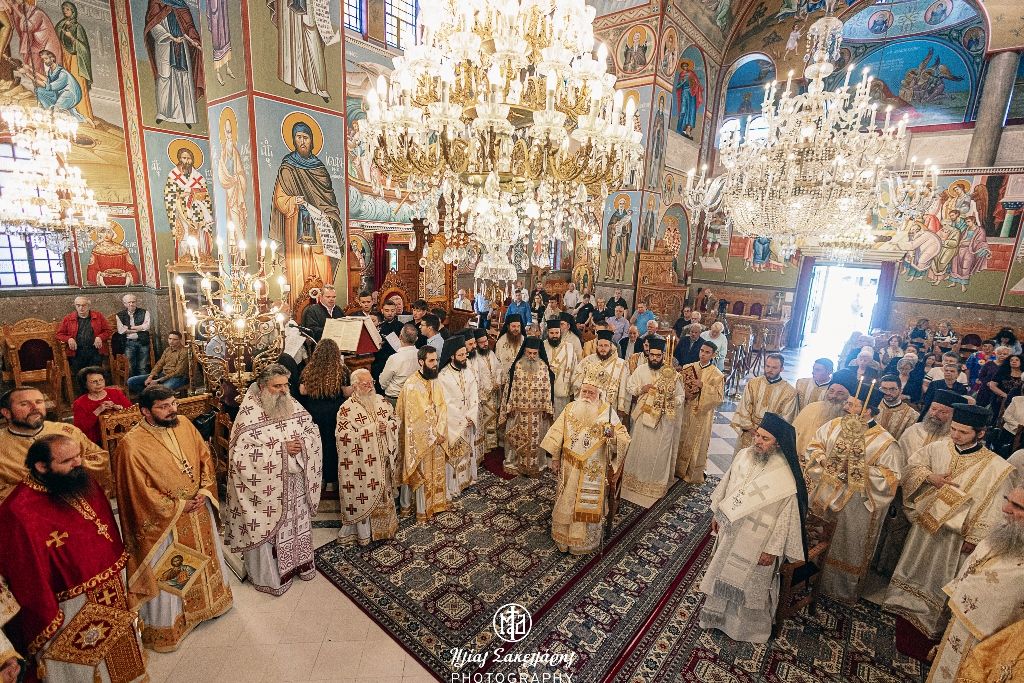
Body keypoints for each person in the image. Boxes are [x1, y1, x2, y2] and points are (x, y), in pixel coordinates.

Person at [0, 434, 147, 682]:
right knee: (80, 664)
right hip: (68, 605)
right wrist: (47, 612)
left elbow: (105, 527)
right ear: (42, 466)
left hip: (111, 586)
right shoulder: (17, 511)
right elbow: (26, 575)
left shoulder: (79, 480)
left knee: (121, 652)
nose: (78, 463)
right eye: (68, 460)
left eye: (78, 455)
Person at [884, 404, 1015, 640]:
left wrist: (975, 539)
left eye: (963, 432)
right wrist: (929, 477)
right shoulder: (938, 447)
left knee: (941, 576)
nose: (955, 435)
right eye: (953, 429)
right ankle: (901, 602)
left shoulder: (997, 468)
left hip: (956, 538)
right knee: (915, 563)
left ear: (980, 433)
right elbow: (912, 468)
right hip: (925, 526)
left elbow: (996, 508)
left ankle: (930, 620)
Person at [115, 385, 232, 649]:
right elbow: (137, 492)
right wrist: (178, 505)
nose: (172, 410)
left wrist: (204, 490)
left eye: (173, 403)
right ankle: (172, 624)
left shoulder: (185, 425)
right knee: (170, 568)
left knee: (206, 555)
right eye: (163, 406)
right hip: (165, 522)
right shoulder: (131, 445)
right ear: (145, 411)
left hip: (198, 508)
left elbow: (204, 457)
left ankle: (212, 604)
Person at [699, 412, 807, 644]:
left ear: (778, 443)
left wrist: (771, 549)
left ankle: (745, 630)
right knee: (722, 572)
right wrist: (718, 513)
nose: (757, 441)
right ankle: (716, 618)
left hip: (760, 542)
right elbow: (727, 486)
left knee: (750, 587)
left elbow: (786, 518)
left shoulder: (784, 475)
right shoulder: (743, 456)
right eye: (757, 435)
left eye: (765, 438)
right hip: (731, 531)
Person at [225, 365, 322, 596]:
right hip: (267, 489)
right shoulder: (249, 413)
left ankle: (300, 564)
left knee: (297, 525)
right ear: (261, 387)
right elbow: (240, 458)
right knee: (270, 530)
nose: (283, 390)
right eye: (276, 386)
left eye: (285, 385)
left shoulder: (291, 403)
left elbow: (311, 430)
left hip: (296, 482)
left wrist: (303, 445)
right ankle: (270, 577)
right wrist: (281, 450)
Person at [803, 380, 901, 602]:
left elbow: (890, 479)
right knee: (813, 536)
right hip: (823, 495)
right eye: (847, 403)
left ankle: (835, 590)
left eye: (851, 404)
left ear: (867, 410)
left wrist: (856, 469)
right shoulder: (835, 424)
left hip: (854, 506)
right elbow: (814, 446)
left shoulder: (885, 443)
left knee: (844, 543)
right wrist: (825, 461)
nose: (846, 407)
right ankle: (805, 577)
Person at [926, 486, 1024, 683]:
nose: (1005, 508)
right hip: (960, 624)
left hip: (993, 643)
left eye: (1017, 506)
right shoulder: (1004, 536)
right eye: (1007, 500)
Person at [873, 391, 958, 578]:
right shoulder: (914, 430)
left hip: (930, 498)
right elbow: (898, 460)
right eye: (933, 409)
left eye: (943, 412)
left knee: (914, 539)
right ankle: (879, 566)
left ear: (952, 416)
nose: (935, 414)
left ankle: (901, 576)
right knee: (890, 529)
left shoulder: (953, 440)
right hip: (901, 490)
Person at [541, 380, 631, 555]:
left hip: (593, 468)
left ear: (599, 395)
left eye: (591, 393)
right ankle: (562, 538)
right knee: (566, 499)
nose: (587, 396)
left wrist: (611, 435)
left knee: (584, 504)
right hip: (569, 466)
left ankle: (582, 543)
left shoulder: (607, 413)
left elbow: (622, 438)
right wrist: (555, 458)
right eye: (585, 391)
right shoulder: (570, 408)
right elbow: (557, 434)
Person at [0, 386, 110, 499]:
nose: (35, 407)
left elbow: (100, 458)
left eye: (39, 402)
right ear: (6, 412)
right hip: (30, 507)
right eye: (24, 404)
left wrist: (70, 467)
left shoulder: (68, 431)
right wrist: (37, 487)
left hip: (78, 500)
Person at [335, 369, 399, 546]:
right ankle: (365, 534)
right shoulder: (346, 409)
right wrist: (372, 430)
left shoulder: (381, 401)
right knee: (366, 496)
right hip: (363, 466)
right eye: (366, 384)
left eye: (372, 382)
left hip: (384, 460)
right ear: (355, 386)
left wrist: (388, 426)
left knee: (385, 494)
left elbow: (395, 419)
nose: (370, 386)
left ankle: (385, 530)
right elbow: (343, 438)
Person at [620, 338, 684, 507]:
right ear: (648, 354)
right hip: (643, 417)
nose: (654, 358)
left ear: (663, 355)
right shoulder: (641, 370)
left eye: (658, 355)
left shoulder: (672, 375)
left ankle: (653, 485)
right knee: (640, 448)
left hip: (663, 421)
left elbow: (681, 397)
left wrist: (669, 400)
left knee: (658, 452)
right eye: (652, 355)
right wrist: (642, 389)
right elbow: (629, 387)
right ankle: (634, 480)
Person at [397, 346, 447, 521]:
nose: (435, 364)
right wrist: (435, 434)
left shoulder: (434, 379)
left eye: (436, 360)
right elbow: (417, 418)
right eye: (431, 360)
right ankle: (421, 508)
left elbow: (442, 406)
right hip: (421, 440)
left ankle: (434, 504)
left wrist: (440, 430)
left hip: (436, 435)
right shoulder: (412, 385)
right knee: (422, 471)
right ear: (421, 362)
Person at [298, 339, 350, 488]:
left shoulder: (309, 369)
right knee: (333, 444)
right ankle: (334, 478)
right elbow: (346, 393)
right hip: (335, 412)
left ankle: (319, 477)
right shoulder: (342, 370)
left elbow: (303, 391)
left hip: (315, 412)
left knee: (317, 444)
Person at [500, 338, 555, 476]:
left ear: (539, 352)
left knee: (536, 441)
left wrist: (547, 408)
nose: (531, 356)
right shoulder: (517, 366)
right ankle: (516, 463)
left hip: (537, 413)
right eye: (529, 353)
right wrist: (510, 406)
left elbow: (547, 389)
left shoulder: (543, 367)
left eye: (534, 353)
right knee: (518, 439)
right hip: (519, 412)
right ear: (524, 351)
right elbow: (511, 388)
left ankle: (537, 464)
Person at [144, 0, 203, 126]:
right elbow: (153, 24)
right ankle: (163, 113)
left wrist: (195, 40)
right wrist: (170, 37)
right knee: (165, 77)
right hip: (166, 45)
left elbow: (189, 26)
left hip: (182, 45)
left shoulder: (181, 4)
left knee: (183, 79)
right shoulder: (156, 2)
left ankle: (185, 116)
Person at [676, 340, 726, 484]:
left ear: (713, 355)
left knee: (697, 442)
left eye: (707, 352)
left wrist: (703, 386)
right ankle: (677, 469)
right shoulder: (688, 367)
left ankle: (692, 473)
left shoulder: (717, 375)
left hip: (702, 414)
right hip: (686, 409)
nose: (703, 354)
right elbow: (679, 386)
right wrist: (685, 393)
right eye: (702, 351)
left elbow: (718, 398)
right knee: (681, 437)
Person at [731, 353, 798, 454]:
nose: (770, 370)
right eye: (767, 366)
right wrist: (750, 428)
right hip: (749, 432)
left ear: (782, 369)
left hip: (770, 437)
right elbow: (744, 407)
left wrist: (766, 435)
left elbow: (786, 418)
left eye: (774, 367)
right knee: (742, 461)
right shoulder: (753, 383)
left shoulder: (789, 392)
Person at [438, 336, 479, 497]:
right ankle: (454, 486)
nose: (464, 357)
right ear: (452, 356)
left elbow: (474, 395)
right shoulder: (443, 376)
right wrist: (462, 419)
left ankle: (467, 479)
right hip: (455, 424)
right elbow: (445, 404)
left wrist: (471, 416)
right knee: (455, 455)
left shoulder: (468, 370)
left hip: (468, 419)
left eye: (465, 354)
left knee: (467, 452)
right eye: (460, 355)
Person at [267, 0, 330, 100]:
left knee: (312, 42)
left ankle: (319, 86)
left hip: (308, 7)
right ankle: (299, 81)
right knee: (294, 41)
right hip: (287, 8)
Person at [792, 370, 857, 455]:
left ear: (849, 397)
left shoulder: (851, 420)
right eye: (831, 391)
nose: (833, 396)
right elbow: (792, 434)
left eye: (840, 393)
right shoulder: (811, 408)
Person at [573, 330, 630, 418]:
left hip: (610, 408)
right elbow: (577, 380)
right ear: (597, 346)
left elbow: (624, 387)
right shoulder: (587, 361)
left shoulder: (621, 364)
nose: (603, 349)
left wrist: (621, 406)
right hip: (589, 405)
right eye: (600, 345)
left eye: (606, 345)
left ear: (611, 346)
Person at [72, 366, 131, 445]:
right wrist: (98, 410)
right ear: (85, 384)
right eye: (94, 381)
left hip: (120, 437)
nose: (99, 383)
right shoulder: (80, 403)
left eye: (101, 380)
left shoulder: (115, 393)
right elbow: (80, 428)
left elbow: (132, 412)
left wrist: (119, 408)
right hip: (95, 443)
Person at [56, 296, 112, 379]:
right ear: (75, 306)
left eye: (83, 305)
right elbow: (59, 334)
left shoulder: (98, 316)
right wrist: (69, 339)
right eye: (78, 305)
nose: (81, 308)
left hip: (95, 351)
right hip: (76, 352)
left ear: (88, 306)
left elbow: (108, 331)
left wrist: (100, 337)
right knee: (81, 377)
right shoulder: (68, 318)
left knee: (95, 375)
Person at [127, 330, 189, 396]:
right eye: (170, 338)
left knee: (160, 390)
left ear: (180, 340)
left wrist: (158, 381)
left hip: (177, 378)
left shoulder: (184, 352)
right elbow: (159, 364)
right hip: (163, 375)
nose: (171, 341)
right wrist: (150, 377)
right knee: (131, 381)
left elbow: (178, 372)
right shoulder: (167, 349)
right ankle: (148, 396)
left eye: (175, 339)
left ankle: (151, 396)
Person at [470, 328, 502, 454]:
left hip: (493, 394)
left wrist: (497, 382)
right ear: (476, 343)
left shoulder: (491, 353)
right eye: (481, 342)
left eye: (486, 341)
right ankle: (484, 447)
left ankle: (492, 444)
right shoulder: (473, 357)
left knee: (493, 419)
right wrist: (487, 390)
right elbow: (475, 377)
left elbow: (498, 368)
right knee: (484, 421)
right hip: (482, 396)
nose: (485, 344)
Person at [544, 318, 578, 420]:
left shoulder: (569, 347)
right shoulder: (542, 346)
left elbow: (575, 369)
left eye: (557, 333)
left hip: (563, 393)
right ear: (547, 333)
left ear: (560, 332)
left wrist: (573, 391)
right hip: (544, 393)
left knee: (561, 422)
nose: (554, 336)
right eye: (552, 333)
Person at [380, 323, 420, 405]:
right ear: (416, 338)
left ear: (400, 337)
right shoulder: (421, 355)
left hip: (395, 398)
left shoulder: (394, 358)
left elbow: (383, 382)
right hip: (415, 396)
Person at [115, 293, 152, 377]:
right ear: (124, 304)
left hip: (143, 342)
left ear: (136, 302)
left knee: (143, 366)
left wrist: (128, 328)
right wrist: (139, 328)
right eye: (129, 302)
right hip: (128, 343)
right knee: (130, 367)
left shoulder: (145, 312)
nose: (131, 304)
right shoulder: (119, 315)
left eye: (133, 302)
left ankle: (143, 384)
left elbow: (147, 326)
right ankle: (132, 384)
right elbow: (121, 331)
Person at [876, 374, 920, 440]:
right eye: (884, 389)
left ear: (900, 390)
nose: (888, 393)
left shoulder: (912, 415)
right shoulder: (872, 407)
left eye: (892, 389)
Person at [495, 313, 525, 384]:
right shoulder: (501, 341)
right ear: (508, 327)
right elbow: (496, 360)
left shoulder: (524, 340)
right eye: (513, 326)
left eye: (518, 326)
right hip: (504, 378)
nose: (516, 329)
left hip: (520, 379)